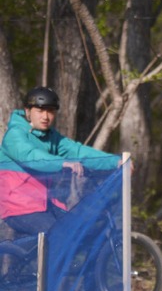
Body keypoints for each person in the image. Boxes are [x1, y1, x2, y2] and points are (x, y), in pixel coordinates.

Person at [0, 86, 122, 236]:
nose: (45, 116)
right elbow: (31, 156)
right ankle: (45, 259)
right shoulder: (15, 135)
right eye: (40, 111)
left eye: (50, 111)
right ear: (27, 112)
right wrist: (62, 163)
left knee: (79, 232)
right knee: (59, 236)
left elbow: (78, 152)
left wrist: (116, 162)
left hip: (45, 205)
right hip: (18, 207)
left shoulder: (52, 137)